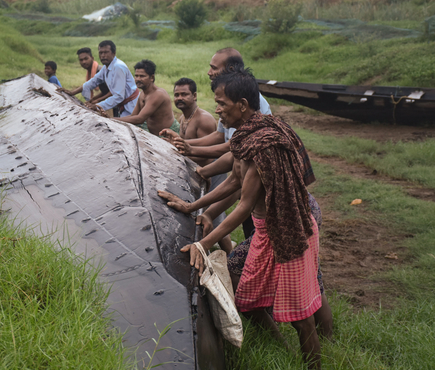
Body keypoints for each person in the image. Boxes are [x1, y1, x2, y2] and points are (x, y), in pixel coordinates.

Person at [162, 67, 325, 369]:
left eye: (222, 103)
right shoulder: (247, 136)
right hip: (266, 234)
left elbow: (242, 206)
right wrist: (192, 206)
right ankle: (279, 345)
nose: (218, 109)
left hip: (287, 232)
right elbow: (233, 180)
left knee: (302, 318)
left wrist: (203, 244)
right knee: (243, 289)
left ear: (243, 105)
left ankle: (313, 363)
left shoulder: (263, 146)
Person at [117, 59, 178, 136]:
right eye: (136, 76)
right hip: (154, 134)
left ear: (152, 77)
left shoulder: (158, 95)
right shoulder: (142, 93)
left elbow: (139, 119)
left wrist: (111, 119)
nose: (138, 79)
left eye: (142, 76)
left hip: (168, 134)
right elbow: (133, 116)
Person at [80, 40, 138, 118]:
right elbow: (93, 81)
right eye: (101, 53)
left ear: (113, 53)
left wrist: (97, 105)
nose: (103, 55)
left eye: (106, 52)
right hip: (121, 105)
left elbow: (118, 95)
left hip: (131, 105)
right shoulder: (106, 67)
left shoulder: (118, 67)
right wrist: (72, 92)